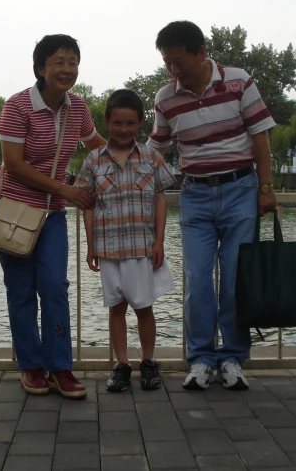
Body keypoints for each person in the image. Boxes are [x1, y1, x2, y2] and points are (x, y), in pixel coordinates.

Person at [147, 21, 278, 391]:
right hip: (196, 195)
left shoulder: (238, 81)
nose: (174, 70)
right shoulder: (165, 98)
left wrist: (266, 189)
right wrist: (127, 170)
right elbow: (156, 146)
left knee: (236, 279)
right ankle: (202, 358)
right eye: (167, 63)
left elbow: (260, 138)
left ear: (201, 52)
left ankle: (233, 358)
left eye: (178, 61)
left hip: (241, 190)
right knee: (198, 281)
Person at [0, 34, 106, 399]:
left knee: (55, 287)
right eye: (58, 61)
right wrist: (67, 190)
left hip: (51, 212)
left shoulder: (78, 108)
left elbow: (96, 145)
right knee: (22, 290)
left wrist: (136, 155)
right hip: (12, 206)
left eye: (73, 61)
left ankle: (60, 367)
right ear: (41, 68)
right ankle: (30, 366)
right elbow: (14, 164)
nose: (67, 69)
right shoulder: (18, 106)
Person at [74, 89, 176, 392]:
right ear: (107, 121)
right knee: (116, 307)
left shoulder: (151, 157)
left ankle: (148, 361)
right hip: (108, 249)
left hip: (142, 247)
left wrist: (159, 241)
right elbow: (88, 205)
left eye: (130, 123)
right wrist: (91, 246)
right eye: (117, 123)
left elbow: (160, 199)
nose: (123, 129)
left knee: (144, 307)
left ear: (140, 123)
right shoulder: (93, 161)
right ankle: (121, 364)